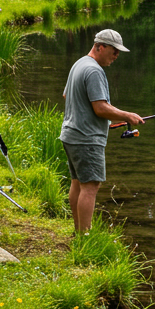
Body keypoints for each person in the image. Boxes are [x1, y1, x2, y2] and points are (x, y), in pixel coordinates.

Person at [59, 28, 144, 233]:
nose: (116, 56)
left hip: (71, 134)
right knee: (90, 187)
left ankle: (78, 233)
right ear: (99, 46)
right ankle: (85, 237)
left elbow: (66, 96)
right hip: (86, 139)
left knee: (78, 183)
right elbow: (100, 108)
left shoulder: (79, 64)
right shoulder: (94, 70)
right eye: (114, 51)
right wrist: (127, 116)